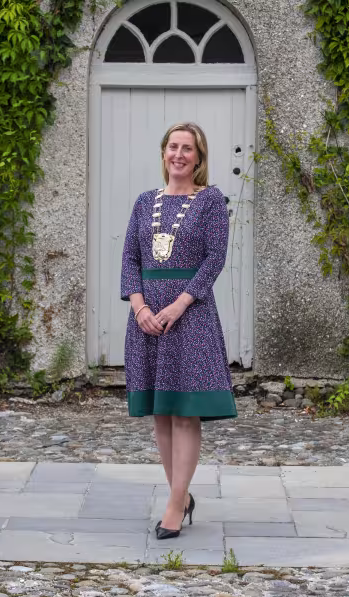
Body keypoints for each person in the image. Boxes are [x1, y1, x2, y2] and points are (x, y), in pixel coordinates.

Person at [121, 122, 237, 540]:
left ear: (199, 157)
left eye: (188, 148)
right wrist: (139, 307)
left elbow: (214, 259)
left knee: (186, 412)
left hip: (191, 316)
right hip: (147, 319)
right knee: (162, 410)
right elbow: (130, 259)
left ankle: (174, 504)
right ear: (164, 152)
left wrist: (179, 303)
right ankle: (181, 495)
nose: (179, 154)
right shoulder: (144, 201)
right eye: (173, 147)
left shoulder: (210, 201)